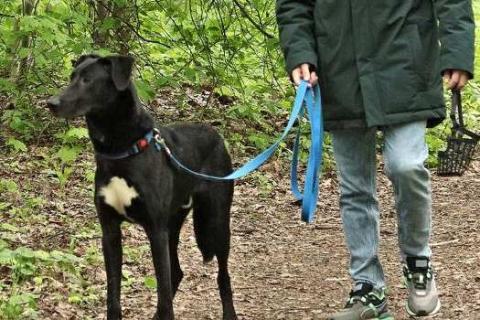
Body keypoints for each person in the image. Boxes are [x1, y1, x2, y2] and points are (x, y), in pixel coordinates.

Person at [276, 1, 474, 319]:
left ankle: (418, 265)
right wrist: (300, 52)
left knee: (406, 165)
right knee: (354, 186)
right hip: (340, 68)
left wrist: (457, 52)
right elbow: (294, 5)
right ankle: (367, 288)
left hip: (407, 64)